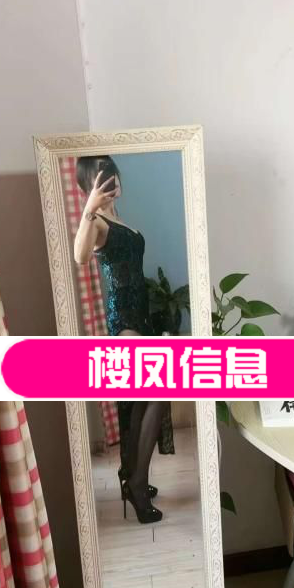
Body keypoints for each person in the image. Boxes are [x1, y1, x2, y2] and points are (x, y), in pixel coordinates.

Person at [74, 155, 174, 524]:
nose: (111, 179)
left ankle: (130, 475)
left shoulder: (119, 219)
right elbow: (80, 256)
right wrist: (89, 209)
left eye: (112, 172)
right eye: (101, 175)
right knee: (159, 393)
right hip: (125, 324)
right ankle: (136, 483)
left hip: (141, 317)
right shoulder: (97, 221)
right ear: (88, 184)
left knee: (140, 403)